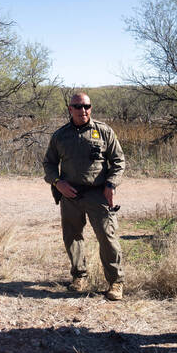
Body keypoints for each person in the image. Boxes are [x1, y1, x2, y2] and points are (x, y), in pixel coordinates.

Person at [43, 92, 126, 300]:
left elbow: (119, 161)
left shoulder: (104, 131)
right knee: (72, 237)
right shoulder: (60, 136)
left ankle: (116, 282)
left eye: (87, 106)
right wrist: (58, 183)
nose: (83, 110)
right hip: (70, 194)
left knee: (107, 237)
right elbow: (49, 164)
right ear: (70, 109)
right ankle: (79, 276)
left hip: (98, 193)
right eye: (78, 107)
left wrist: (111, 184)